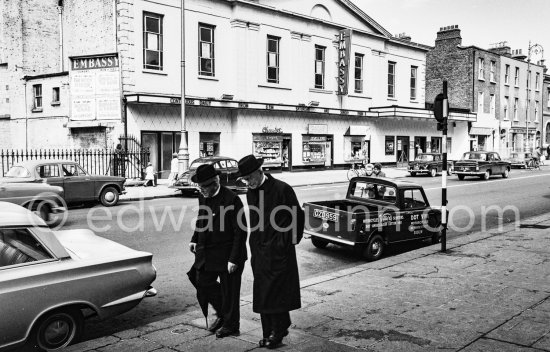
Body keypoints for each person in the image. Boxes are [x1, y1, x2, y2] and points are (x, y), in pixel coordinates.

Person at [237, 154, 304, 349]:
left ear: (260, 172)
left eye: (250, 178)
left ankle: (277, 331)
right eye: (244, 179)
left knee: (276, 291)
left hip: (279, 250)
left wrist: (287, 242)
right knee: (263, 292)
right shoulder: (251, 193)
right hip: (259, 249)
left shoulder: (282, 189)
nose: (247, 182)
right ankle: (270, 332)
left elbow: (297, 217)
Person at [189, 164, 248, 338]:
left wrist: (234, 259)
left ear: (215, 182)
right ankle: (223, 313)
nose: (201, 190)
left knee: (230, 291)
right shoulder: (203, 197)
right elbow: (202, 218)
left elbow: (241, 231)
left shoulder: (231, 199)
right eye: (199, 187)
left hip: (229, 254)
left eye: (204, 186)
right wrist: (194, 238)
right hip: (209, 251)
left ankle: (231, 325)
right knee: (199, 279)